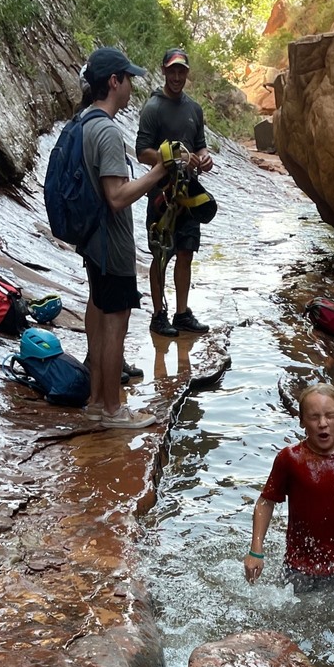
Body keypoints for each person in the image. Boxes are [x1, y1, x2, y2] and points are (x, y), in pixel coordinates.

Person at [79, 47, 170, 430]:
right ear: (113, 82)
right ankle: (115, 409)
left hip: (91, 239)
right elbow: (116, 197)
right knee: (116, 320)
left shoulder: (83, 121)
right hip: (111, 242)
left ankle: (97, 402)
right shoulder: (108, 132)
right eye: (128, 78)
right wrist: (158, 172)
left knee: (99, 313)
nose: (132, 85)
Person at [244, 383, 334, 592]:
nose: (322, 423)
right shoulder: (290, 459)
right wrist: (256, 550)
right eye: (314, 417)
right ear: (302, 421)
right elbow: (266, 501)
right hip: (299, 567)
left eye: (330, 416)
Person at [136, 49, 214, 338]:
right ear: (164, 71)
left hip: (189, 195)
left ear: (187, 72)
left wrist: (204, 158)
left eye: (182, 71)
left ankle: (182, 313)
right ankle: (158, 315)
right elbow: (142, 151)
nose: (178, 77)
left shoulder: (194, 109)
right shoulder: (153, 108)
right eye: (173, 71)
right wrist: (172, 158)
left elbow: (201, 144)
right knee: (160, 255)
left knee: (186, 253)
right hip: (162, 195)